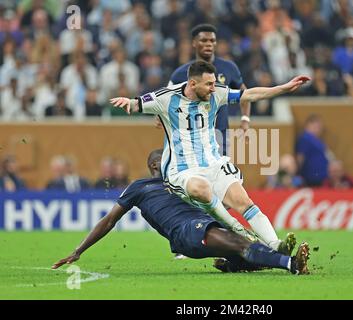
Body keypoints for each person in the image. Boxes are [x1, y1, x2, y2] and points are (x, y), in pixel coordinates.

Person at [110, 61, 310, 254]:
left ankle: (276, 245)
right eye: (208, 84)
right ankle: (238, 230)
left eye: (214, 83)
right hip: (182, 171)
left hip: (213, 164)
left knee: (244, 201)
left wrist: (283, 88)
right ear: (192, 83)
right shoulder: (166, 98)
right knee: (202, 189)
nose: (213, 89)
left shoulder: (217, 93)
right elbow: (137, 103)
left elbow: (249, 94)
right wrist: (129, 102)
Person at [51, 149, 310, 275]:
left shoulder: (185, 180)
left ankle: (236, 265)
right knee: (238, 241)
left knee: (241, 245)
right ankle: (290, 264)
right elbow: (109, 220)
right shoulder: (141, 187)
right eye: (168, 158)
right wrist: (78, 250)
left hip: (205, 223)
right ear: (156, 164)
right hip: (185, 232)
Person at [168, 24, 250, 156]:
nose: (209, 44)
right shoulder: (180, 73)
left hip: (219, 137)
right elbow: (167, 98)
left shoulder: (228, 68)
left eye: (212, 41)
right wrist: (160, 117)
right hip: (191, 139)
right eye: (204, 40)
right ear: (194, 43)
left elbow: (245, 94)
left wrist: (245, 119)